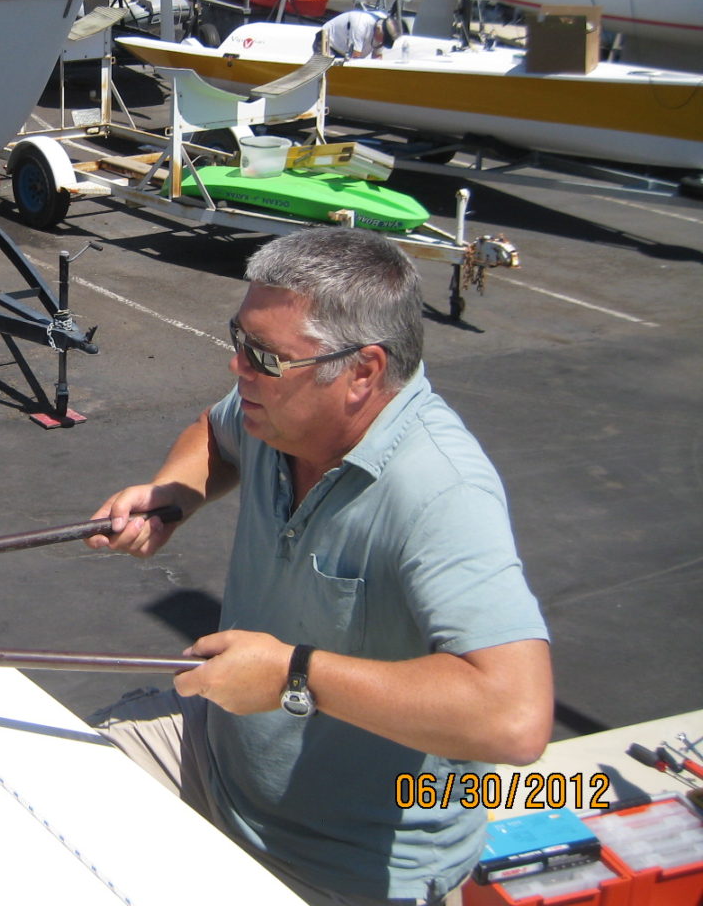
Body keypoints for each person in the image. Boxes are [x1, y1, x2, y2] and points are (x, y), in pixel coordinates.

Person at [86, 227, 553, 906]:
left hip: (343, 868)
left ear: (362, 371)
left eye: (264, 357)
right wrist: (173, 496)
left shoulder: (441, 488)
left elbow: (514, 716)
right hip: (215, 763)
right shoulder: (280, 413)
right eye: (238, 340)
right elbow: (212, 434)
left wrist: (292, 676)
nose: (238, 368)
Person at [320, 8, 399, 59]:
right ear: (378, 29)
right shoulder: (360, 25)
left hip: (345, 51)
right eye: (383, 39)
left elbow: (377, 56)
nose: (381, 42)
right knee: (325, 72)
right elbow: (355, 57)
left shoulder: (384, 34)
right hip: (327, 38)